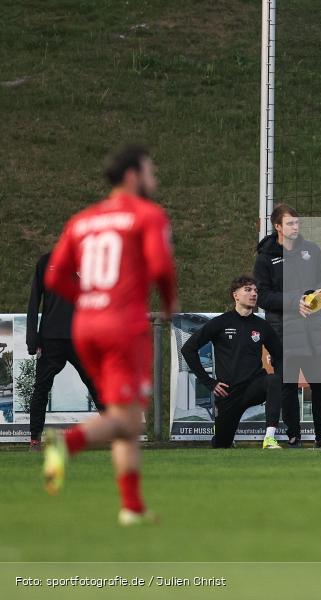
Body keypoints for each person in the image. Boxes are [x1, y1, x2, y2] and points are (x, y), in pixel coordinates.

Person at [42, 144, 177, 526]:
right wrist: (169, 305)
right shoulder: (147, 214)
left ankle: (131, 507)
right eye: (151, 171)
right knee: (130, 422)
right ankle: (64, 442)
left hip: (86, 326)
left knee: (124, 417)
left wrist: (89, 300)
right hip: (123, 327)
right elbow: (162, 267)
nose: (155, 179)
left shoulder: (83, 219)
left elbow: (54, 276)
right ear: (133, 176)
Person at [254, 204, 321, 449]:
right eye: (290, 223)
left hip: (314, 330)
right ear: (277, 226)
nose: (295, 227)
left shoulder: (312, 250)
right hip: (283, 332)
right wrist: (294, 302)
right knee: (288, 386)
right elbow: (262, 296)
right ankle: (294, 436)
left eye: (297, 223)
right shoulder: (265, 258)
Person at [181, 276, 283, 449]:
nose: (253, 294)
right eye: (248, 290)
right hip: (228, 393)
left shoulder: (262, 326)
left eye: (255, 291)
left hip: (253, 387)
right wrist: (209, 382)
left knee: (273, 380)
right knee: (222, 444)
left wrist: (281, 381)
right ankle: (222, 437)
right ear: (235, 295)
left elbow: (279, 355)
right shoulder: (221, 322)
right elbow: (188, 349)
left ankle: (269, 438)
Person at [26, 252, 102, 450]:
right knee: (41, 388)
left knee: (97, 385)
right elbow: (34, 300)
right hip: (51, 340)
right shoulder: (45, 261)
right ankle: (35, 439)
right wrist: (31, 339)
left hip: (81, 338)